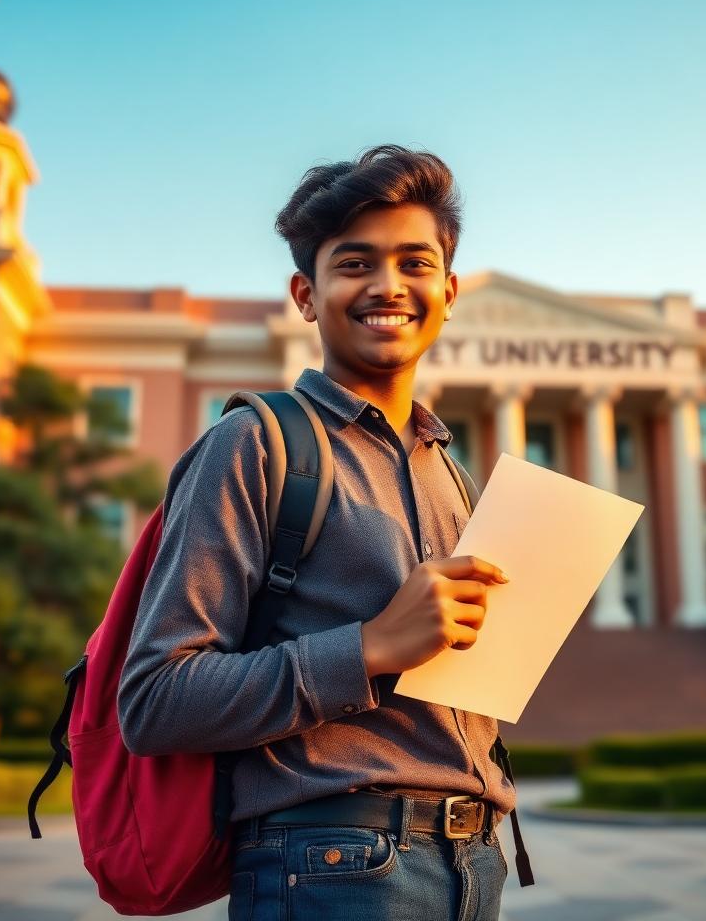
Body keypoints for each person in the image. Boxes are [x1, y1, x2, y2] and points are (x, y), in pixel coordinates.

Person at [117, 145, 515, 921]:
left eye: (415, 262)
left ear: (449, 289)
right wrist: (369, 648)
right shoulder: (256, 444)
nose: (389, 286)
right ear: (307, 293)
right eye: (356, 263)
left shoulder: (451, 474)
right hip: (329, 865)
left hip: (474, 860)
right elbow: (155, 699)